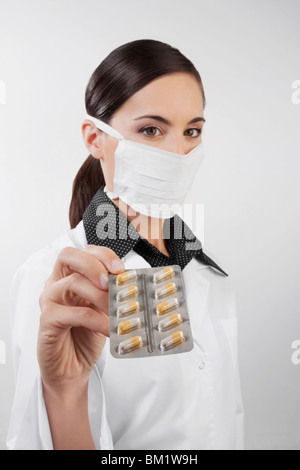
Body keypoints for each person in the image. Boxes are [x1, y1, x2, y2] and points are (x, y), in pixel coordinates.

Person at [7, 39, 244, 450]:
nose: (178, 152)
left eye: (192, 131)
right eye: (151, 129)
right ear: (94, 138)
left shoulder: (210, 271)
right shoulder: (52, 279)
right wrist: (64, 391)